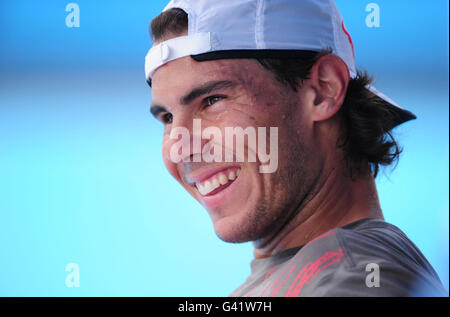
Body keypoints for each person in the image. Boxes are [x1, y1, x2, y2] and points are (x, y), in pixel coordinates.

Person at [145, 0, 447, 296]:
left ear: (323, 91)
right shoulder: (313, 273)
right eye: (168, 118)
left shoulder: (354, 278)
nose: (178, 148)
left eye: (212, 100)